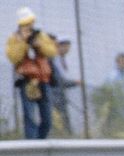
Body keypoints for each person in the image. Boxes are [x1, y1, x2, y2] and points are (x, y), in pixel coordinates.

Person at [5, 7, 57, 139]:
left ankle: (41, 141)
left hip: (43, 80)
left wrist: (39, 46)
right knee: (30, 116)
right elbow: (13, 57)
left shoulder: (41, 36)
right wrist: (24, 43)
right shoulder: (14, 39)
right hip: (27, 80)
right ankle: (31, 143)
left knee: (47, 118)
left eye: (30, 23)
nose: (29, 26)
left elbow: (52, 51)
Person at [47, 37, 78, 133]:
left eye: (68, 47)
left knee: (63, 116)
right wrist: (73, 83)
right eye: (65, 47)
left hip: (60, 93)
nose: (67, 49)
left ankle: (66, 134)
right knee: (56, 116)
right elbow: (57, 79)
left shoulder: (60, 60)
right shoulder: (53, 59)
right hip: (53, 93)